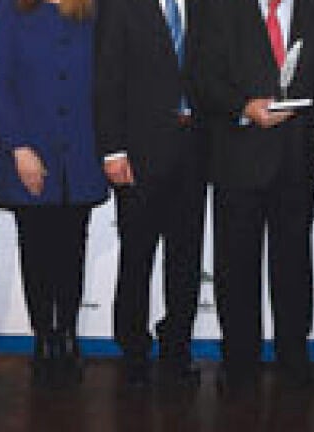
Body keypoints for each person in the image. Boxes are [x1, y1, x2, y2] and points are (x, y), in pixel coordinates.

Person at [195, 0, 314, 387]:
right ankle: (239, 364)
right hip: (237, 155)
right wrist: (243, 107)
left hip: (297, 159)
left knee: (294, 265)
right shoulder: (217, 8)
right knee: (235, 267)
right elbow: (201, 76)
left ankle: (295, 360)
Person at [0, 0, 109, 386]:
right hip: (28, 151)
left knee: (73, 249)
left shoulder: (93, 8)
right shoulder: (11, 8)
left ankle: (68, 336)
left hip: (81, 152)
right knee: (35, 247)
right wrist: (19, 147)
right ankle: (43, 337)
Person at [94, 0, 207, 387]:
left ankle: (177, 347)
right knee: (137, 256)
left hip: (195, 152)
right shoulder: (119, 6)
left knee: (186, 258)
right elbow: (106, 76)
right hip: (139, 154)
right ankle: (133, 350)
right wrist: (112, 150)